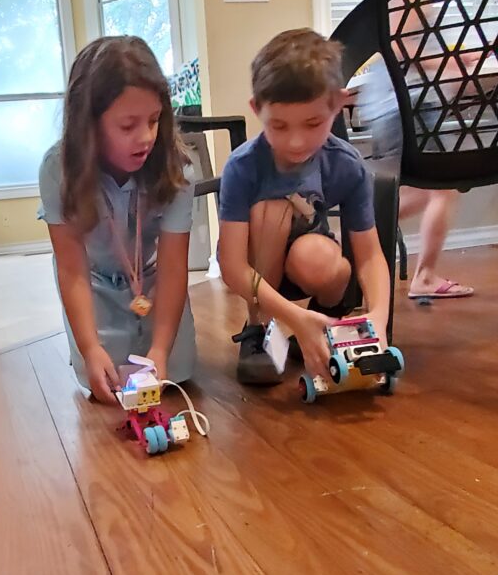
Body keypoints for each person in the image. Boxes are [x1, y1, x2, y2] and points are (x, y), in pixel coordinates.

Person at [218, 29, 392, 384]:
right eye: (278, 126)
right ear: (256, 109)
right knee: (268, 210)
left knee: (317, 255)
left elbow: (371, 255)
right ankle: (260, 328)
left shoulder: (346, 165)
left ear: (338, 104)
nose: (296, 142)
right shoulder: (243, 167)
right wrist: (291, 318)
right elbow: (232, 264)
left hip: (310, 268)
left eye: (313, 123)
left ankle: (322, 319)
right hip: (261, 277)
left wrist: (378, 317)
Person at [39, 36, 196, 403]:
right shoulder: (56, 169)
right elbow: (72, 269)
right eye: (127, 126)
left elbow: (174, 269)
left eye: (155, 120)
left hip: (153, 282)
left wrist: (160, 349)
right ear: (88, 124)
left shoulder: (177, 169)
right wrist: (90, 348)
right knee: (103, 381)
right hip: (92, 284)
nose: (146, 138)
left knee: (180, 374)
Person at [359, 0, 474, 299]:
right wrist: (447, 66)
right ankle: (423, 275)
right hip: (406, 104)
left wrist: (452, 61)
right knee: (442, 188)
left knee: (424, 188)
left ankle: (360, 228)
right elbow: (406, 48)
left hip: (390, 102)